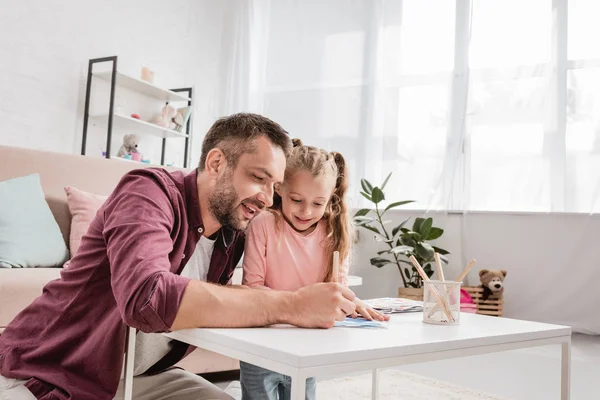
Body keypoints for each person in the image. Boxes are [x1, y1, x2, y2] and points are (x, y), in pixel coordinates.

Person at [0, 114, 357, 400]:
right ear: (216, 162)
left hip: (144, 380)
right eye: (258, 178)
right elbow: (147, 297)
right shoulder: (148, 190)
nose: (267, 198)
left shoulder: (232, 231)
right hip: (48, 371)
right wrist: (291, 304)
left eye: (274, 188)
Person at [240, 139, 389, 400]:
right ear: (280, 189)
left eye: (318, 203)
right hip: (262, 343)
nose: (306, 211)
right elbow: (251, 288)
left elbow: (337, 290)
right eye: (296, 199)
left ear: (330, 199)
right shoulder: (263, 224)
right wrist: (296, 309)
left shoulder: (334, 232)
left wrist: (352, 303)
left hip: (308, 346)